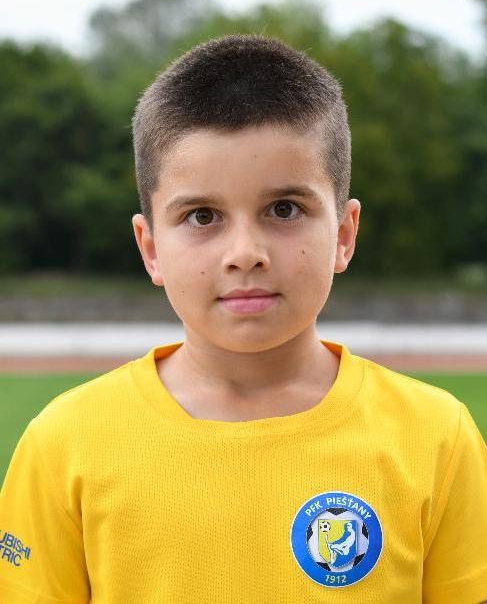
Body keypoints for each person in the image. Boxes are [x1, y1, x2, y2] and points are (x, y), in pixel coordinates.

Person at [0, 34, 486, 604]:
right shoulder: (64, 443)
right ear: (150, 248)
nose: (245, 253)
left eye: (284, 209)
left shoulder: (436, 437)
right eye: (202, 216)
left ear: (343, 234)